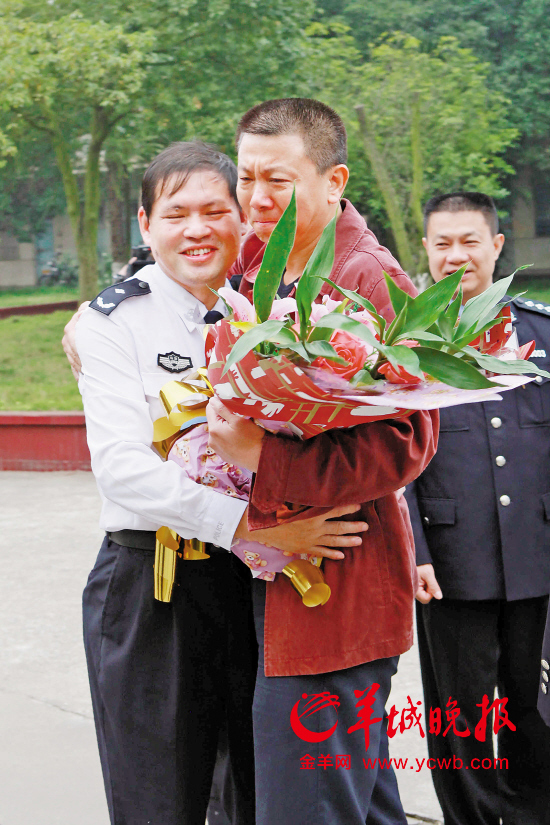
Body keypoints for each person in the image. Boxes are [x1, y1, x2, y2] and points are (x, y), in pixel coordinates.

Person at [75, 140, 368, 825]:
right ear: (145, 226)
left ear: (242, 219)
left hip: (255, 590)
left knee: (257, 791)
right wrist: (252, 527)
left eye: (216, 209)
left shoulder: (274, 316)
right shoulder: (113, 321)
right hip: (154, 586)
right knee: (158, 796)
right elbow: (122, 467)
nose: (198, 228)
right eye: (177, 214)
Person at [205, 97, 439, 825]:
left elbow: (410, 441)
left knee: (307, 808)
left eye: (277, 180)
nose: (256, 198)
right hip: (271, 584)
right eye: (246, 178)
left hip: (336, 591)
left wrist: (264, 460)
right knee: (357, 806)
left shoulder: (368, 278)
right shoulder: (256, 262)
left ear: (334, 181)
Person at [406, 191, 550, 825]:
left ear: (495, 246)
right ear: (428, 251)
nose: (455, 256)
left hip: (539, 557)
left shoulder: (542, 332)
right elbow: (391, 460)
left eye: (469, 242)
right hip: (451, 565)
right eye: (442, 244)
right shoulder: (402, 341)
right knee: (459, 719)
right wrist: (413, 549)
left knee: (536, 710)